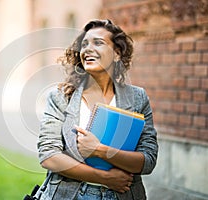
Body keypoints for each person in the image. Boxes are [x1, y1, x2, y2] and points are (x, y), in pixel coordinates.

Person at [37, 19, 158, 200]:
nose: (87, 49)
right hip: (70, 194)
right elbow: (49, 156)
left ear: (117, 53)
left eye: (98, 43)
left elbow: (148, 160)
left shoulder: (138, 98)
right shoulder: (61, 97)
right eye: (84, 44)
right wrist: (105, 178)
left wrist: (99, 149)